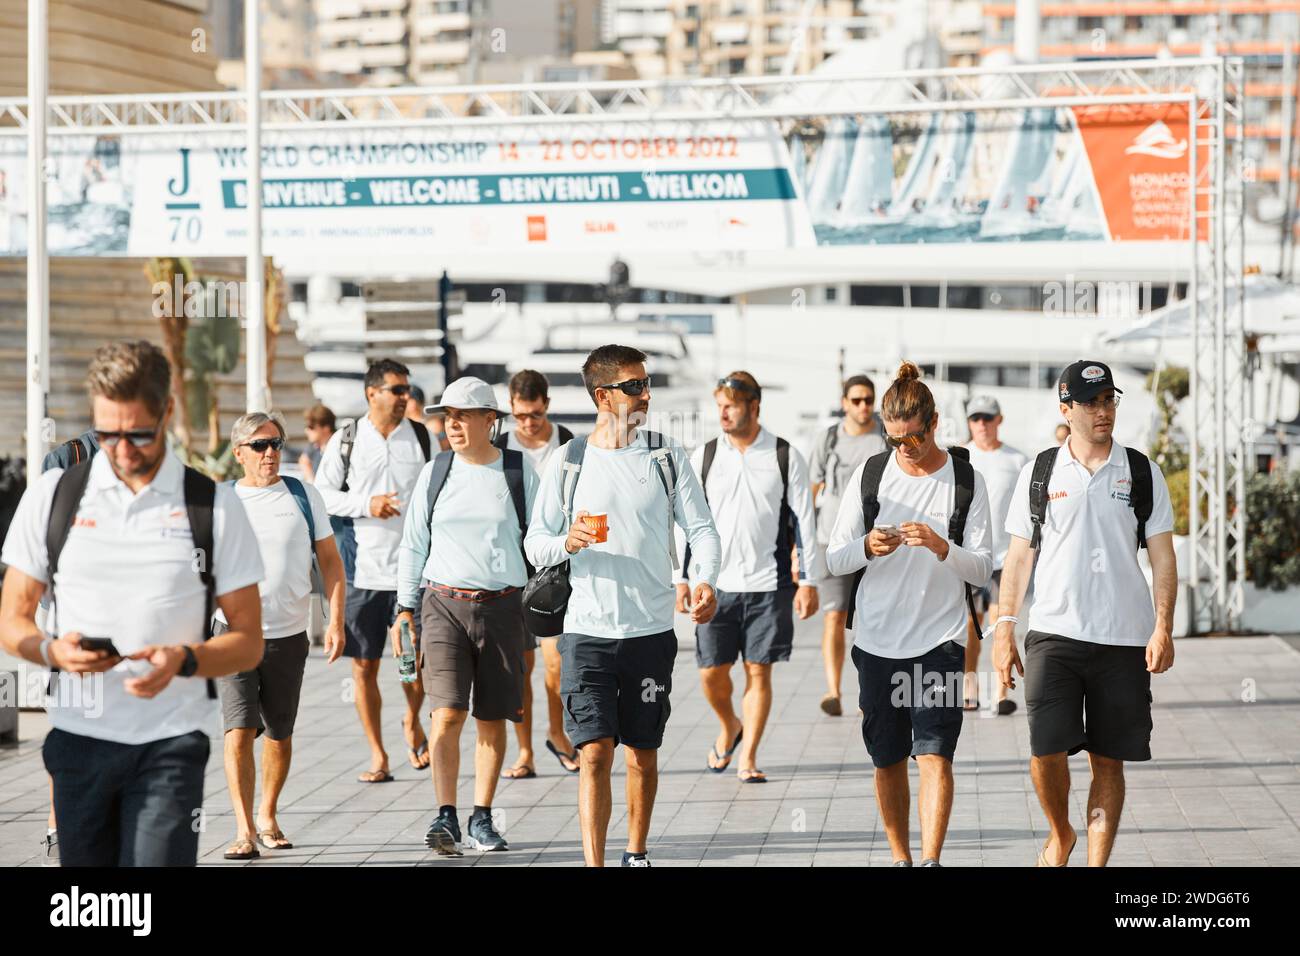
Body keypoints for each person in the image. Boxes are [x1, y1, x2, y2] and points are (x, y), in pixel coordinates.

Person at [0, 340, 265, 866]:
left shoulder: (213, 506)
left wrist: (184, 660)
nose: (121, 449)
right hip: (77, 741)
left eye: (138, 433)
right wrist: (53, 652)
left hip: (169, 745)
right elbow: (12, 619)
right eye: (107, 433)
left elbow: (249, 640)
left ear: (167, 411)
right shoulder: (53, 495)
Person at [526, 344, 721, 867]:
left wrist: (703, 580)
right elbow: (535, 543)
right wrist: (568, 542)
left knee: (642, 753)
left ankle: (635, 851)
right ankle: (595, 863)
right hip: (586, 632)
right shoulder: (568, 461)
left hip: (651, 630)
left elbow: (701, 530)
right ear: (602, 395)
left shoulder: (664, 455)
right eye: (634, 386)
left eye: (645, 383)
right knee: (593, 753)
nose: (645, 394)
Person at [994, 360, 1177, 867]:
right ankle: (1061, 832)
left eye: (1109, 400)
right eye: (1092, 402)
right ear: (1066, 409)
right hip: (1054, 632)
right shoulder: (1040, 471)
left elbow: (1163, 556)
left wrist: (1163, 625)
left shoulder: (1141, 471)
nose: (1103, 411)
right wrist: (1005, 628)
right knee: (1045, 751)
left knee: (1108, 762)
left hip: (1123, 638)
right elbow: (1018, 557)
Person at [827, 361, 992, 867]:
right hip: (877, 641)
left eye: (914, 437)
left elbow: (983, 569)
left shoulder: (966, 479)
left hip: (940, 642)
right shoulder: (870, 475)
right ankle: (901, 857)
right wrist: (867, 547)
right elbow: (834, 557)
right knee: (888, 758)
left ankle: (931, 860)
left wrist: (945, 548)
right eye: (894, 438)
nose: (905, 448)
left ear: (935, 421)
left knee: (936, 753)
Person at [396, 376, 540, 854]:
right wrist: (404, 608)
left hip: (503, 607)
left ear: (489, 420)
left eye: (462, 415)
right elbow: (414, 542)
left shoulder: (519, 473)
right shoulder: (436, 471)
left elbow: (542, 538)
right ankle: (445, 816)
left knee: (492, 717)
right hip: (442, 605)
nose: (452, 425)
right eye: (447, 417)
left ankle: (481, 816)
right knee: (448, 712)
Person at [678, 371, 823, 783]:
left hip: (769, 584)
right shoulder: (704, 455)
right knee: (711, 671)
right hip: (713, 585)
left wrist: (808, 580)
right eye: (719, 405)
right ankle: (730, 726)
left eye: (731, 405)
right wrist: (680, 579)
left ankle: (749, 757)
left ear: (754, 407)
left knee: (759, 671)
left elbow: (804, 522)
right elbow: (684, 521)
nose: (723, 412)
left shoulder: (784, 454)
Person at [217, 412, 347, 860]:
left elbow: (330, 561)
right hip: (233, 633)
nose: (270, 453)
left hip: (289, 635)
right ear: (239, 454)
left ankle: (268, 813)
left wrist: (334, 619)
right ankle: (243, 828)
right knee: (238, 729)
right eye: (259, 446)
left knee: (278, 734)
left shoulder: (303, 495)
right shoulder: (222, 502)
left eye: (275, 443)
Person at [315, 358, 433, 782]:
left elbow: (437, 493)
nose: (406, 397)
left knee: (412, 663)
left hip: (412, 575)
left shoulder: (421, 437)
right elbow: (323, 497)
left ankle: (412, 718)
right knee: (363, 667)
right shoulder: (347, 439)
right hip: (362, 573)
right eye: (397, 390)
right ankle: (378, 755)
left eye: (407, 390)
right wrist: (367, 505)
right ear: (372, 393)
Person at [494, 369, 579, 779]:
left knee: (555, 662)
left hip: (554, 564)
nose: (527, 422)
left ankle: (557, 733)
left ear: (546, 403)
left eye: (534, 414)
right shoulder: (498, 446)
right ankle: (525, 751)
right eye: (520, 415)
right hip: (510, 563)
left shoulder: (569, 444)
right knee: (520, 664)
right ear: (511, 408)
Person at [809, 374, 886, 716]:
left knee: (875, 616)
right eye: (856, 400)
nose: (863, 406)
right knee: (834, 616)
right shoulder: (828, 439)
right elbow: (812, 490)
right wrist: (803, 542)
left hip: (877, 539)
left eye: (868, 399)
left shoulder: (885, 435)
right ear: (844, 404)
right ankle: (832, 690)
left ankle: (867, 689)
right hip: (832, 537)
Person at [961, 395, 1027, 715]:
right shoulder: (960, 459)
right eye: (976, 418)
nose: (982, 424)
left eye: (988, 418)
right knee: (971, 630)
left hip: (1005, 559)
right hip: (972, 557)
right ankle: (970, 689)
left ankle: (1001, 693)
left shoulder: (1017, 460)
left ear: (999, 419)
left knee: (1002, 625)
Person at [298, 404, 336, 483]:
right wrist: (312, 482)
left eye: (311, 427)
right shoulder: (315, 445)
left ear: (326, 428)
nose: (306, 431)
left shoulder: (338, 449)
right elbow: (304, 460)